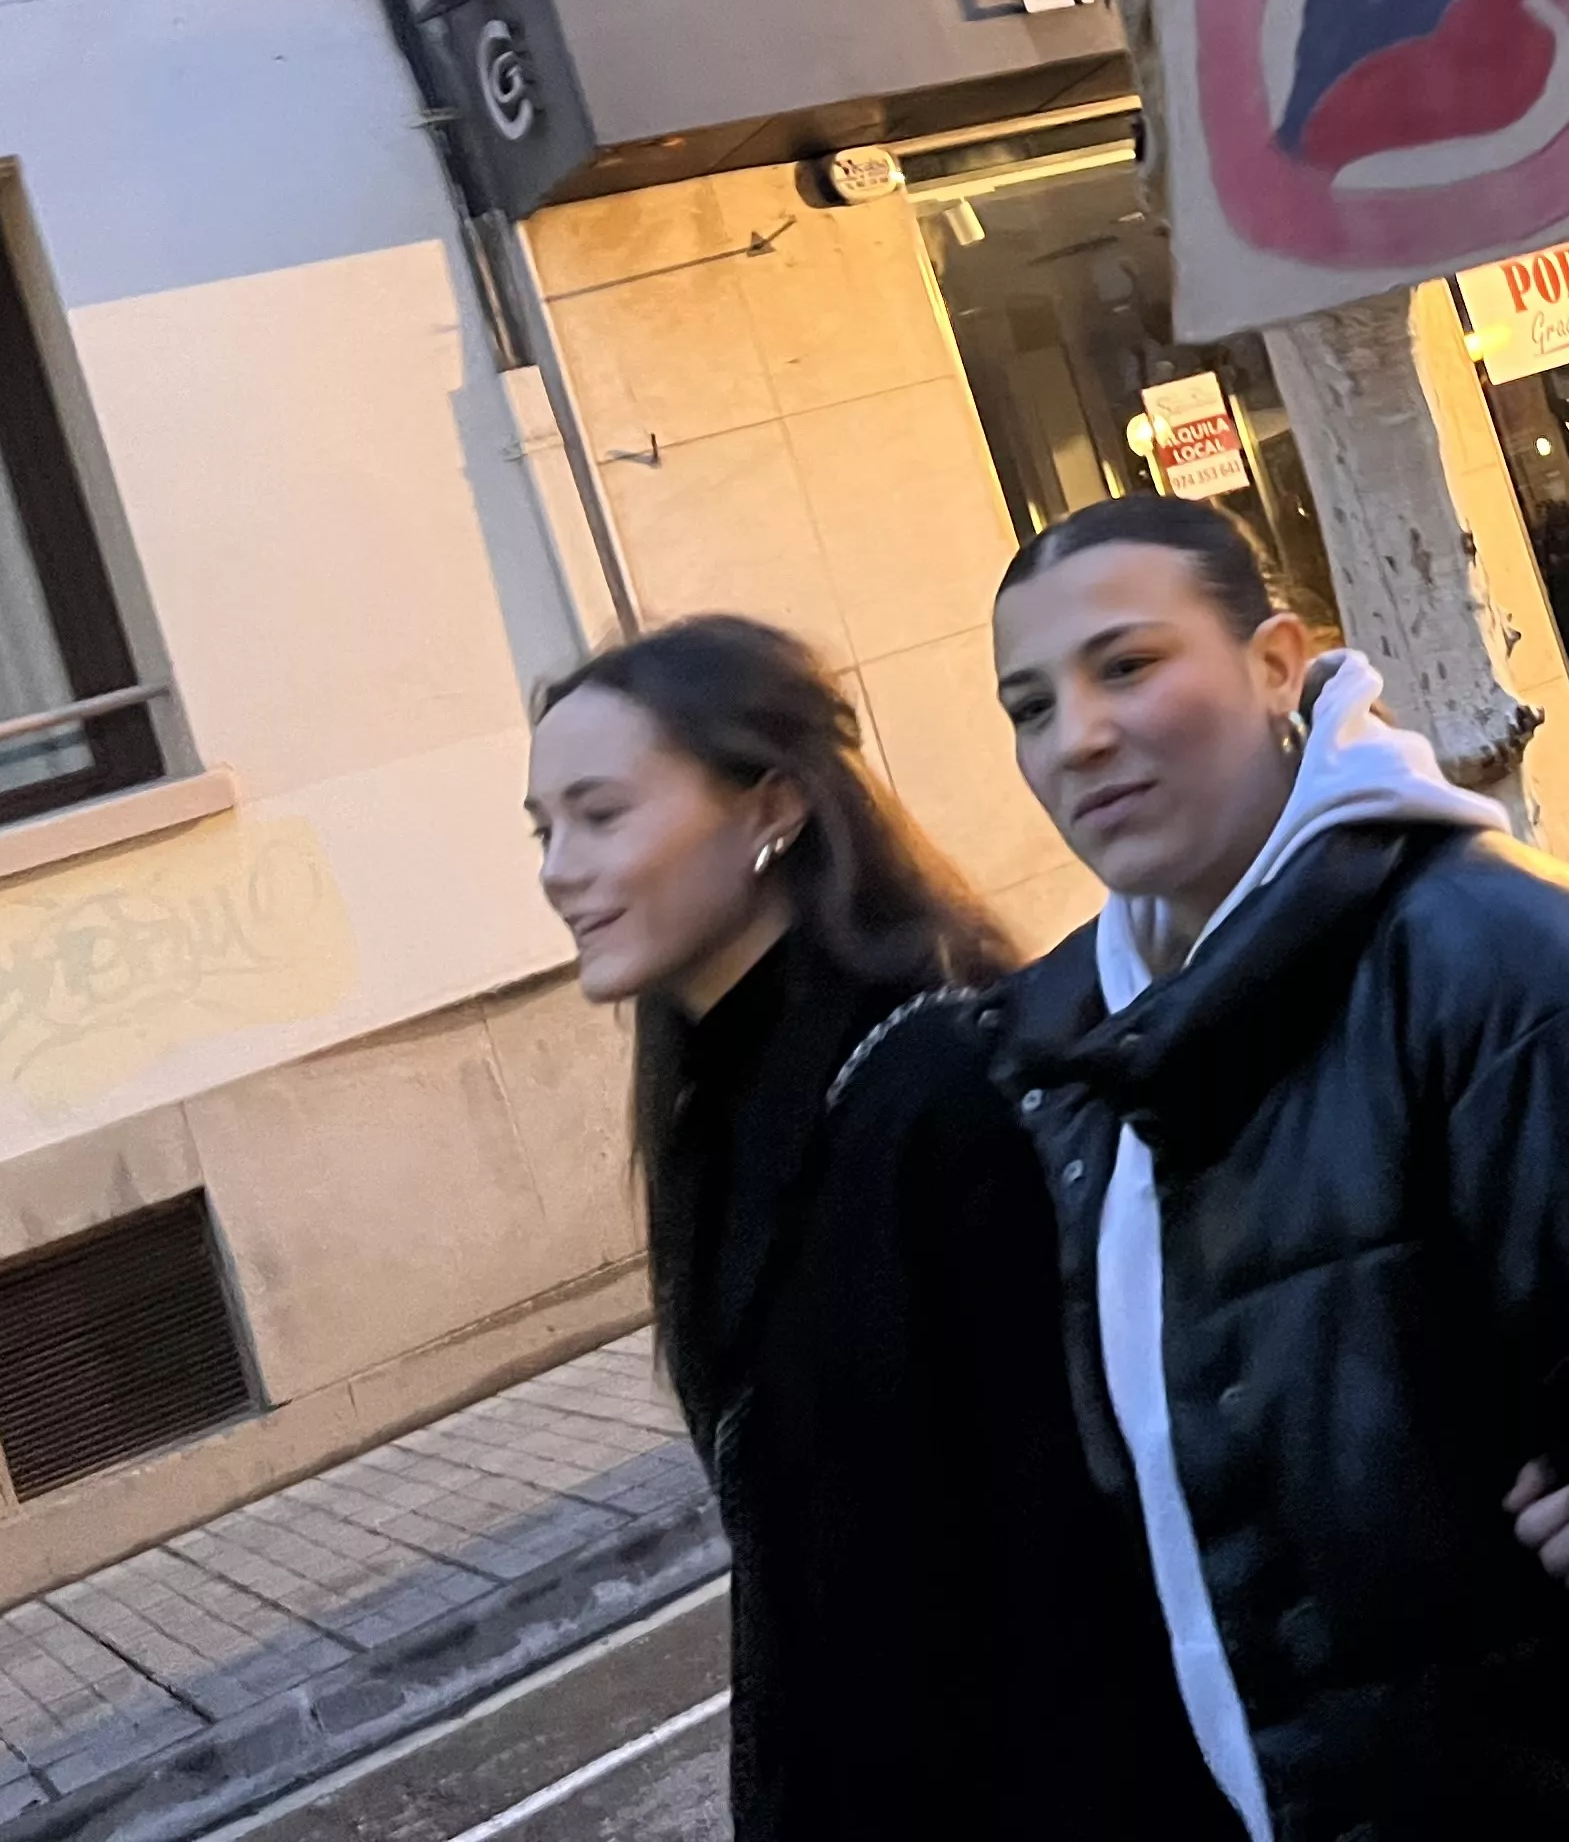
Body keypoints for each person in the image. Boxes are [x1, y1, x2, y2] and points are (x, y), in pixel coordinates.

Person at [988, 497, 1569, 1839]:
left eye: (1128, 666)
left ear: (1274, 663)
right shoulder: (1068, 1062)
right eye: (1028, 704)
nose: (1077, 737)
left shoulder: (1518, 971)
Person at [525, 617, 1231, 1841]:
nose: (557, 870)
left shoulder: (938, 1086)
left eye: (602, 814)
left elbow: (1064, 1562)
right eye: (544, 831)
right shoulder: (721, 1113)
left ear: (773, 809)